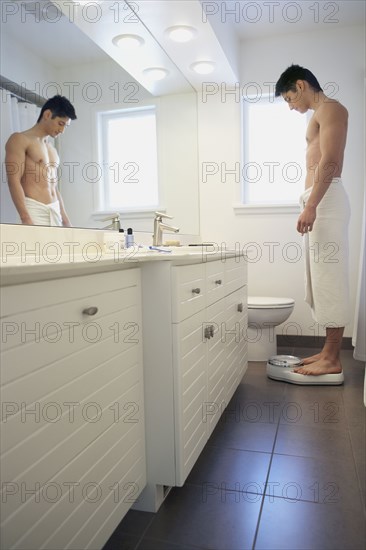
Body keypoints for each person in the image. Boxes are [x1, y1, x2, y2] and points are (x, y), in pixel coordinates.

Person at [275, 64, 350, 376]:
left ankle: (333, 358)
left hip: (326, 199)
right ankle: (327, 351)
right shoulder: (319, 114)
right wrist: (309, 203)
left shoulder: (332, 108)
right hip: (319, 200)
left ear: (301, 86)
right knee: (319, 280)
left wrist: (313, 205)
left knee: (330, 278)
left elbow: (330, 161)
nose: (291, 106)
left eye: (290, 99)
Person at [5, 95, 77, 226]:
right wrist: (25, 218)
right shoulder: (19, 139)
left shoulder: (52, 149)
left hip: (55, 211)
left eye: (65, 126)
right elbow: (13, 181)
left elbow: (54, 187)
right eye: (61, 124)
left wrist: (66, 219)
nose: (62, 130)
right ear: (47, 114)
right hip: (34, 211)